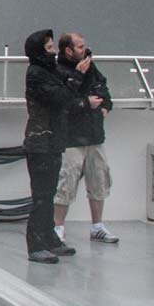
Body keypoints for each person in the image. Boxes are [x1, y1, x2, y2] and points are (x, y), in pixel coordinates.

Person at [22, 29, 99, 263]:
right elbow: (60, 97)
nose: (53, 51)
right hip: (40, 141)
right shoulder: (36, 73)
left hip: (52, 140)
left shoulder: (48, 70)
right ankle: (36, 244)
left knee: (49, 192)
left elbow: (66, 90)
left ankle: (49, 238)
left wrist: (79, 75)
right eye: (48, 48)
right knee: (42, 196)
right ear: (39, 52)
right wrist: (76, 76)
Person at [54, 32, 118, 244]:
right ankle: (58, 227)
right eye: (79, 46)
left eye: (84, 45)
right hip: (70, 137)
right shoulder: (59, 70)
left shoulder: (92, 67)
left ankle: (97, 226)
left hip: (94, 135)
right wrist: (78, 77)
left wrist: (105, 108)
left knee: (99, 179)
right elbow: (61, 100)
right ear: (68, 50)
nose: (85, 49)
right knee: (66, 181)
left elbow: (104, 90)